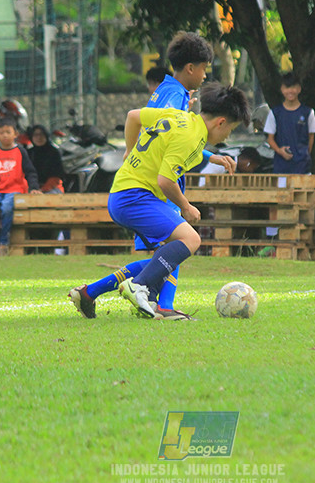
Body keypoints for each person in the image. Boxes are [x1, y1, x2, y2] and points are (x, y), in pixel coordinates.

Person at [69, 32, 236, 314]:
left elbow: (157, 128)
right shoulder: (173, 96)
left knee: (169, 253)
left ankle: (94, 292)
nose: (206, 76)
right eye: (205, 69)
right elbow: (167, 135)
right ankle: (161, 303)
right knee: (180, 245)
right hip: (154, 185)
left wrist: (210, 155)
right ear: (191, 68)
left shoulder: (174, 92)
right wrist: (132, 152)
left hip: (150, 183)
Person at [0, 117, 40, 257]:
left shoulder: (20, 152)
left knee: (7, 207)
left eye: (8, 132)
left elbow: (30, 171)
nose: (5, 135)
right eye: (1, 132)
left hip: (15, 190)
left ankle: (4, 243)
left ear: (15, 134)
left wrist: (33, 187)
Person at [264, 72, 315, 174]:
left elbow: (311, 137)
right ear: (282, 89)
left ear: (299, 89)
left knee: (302, 190)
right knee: (281, 190)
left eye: (293, 87)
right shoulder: (275, 113)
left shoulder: (308, 112)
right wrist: (280, 151)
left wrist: (303, 155)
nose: (290, 91)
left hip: (303, 168)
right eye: (287, 87)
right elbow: (270, 139)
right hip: (281, 167)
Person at [28, 124, 65, 193]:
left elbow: (56, 176)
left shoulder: (54, 152)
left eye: (41, 134)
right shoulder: (29, 153)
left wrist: (42, 190)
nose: (39, 137)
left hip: (52, 187)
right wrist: (33, 189)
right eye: (36, 135)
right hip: (33, 188)